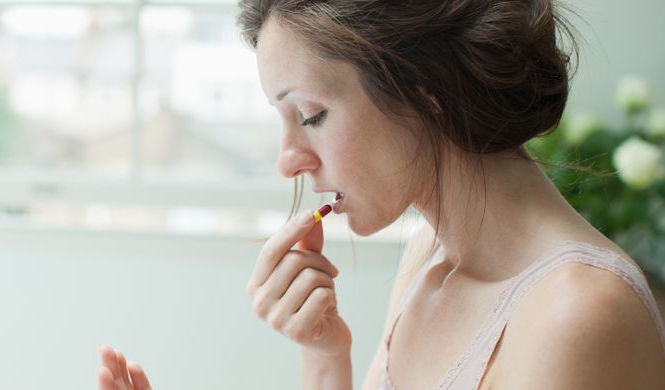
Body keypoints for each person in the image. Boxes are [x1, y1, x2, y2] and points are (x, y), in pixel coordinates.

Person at [97, 0, 665, 388]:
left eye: (311, 115)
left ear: (425, 91)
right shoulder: (427, 257)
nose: (287, 160)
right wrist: (324, 357)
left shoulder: (577, 315)